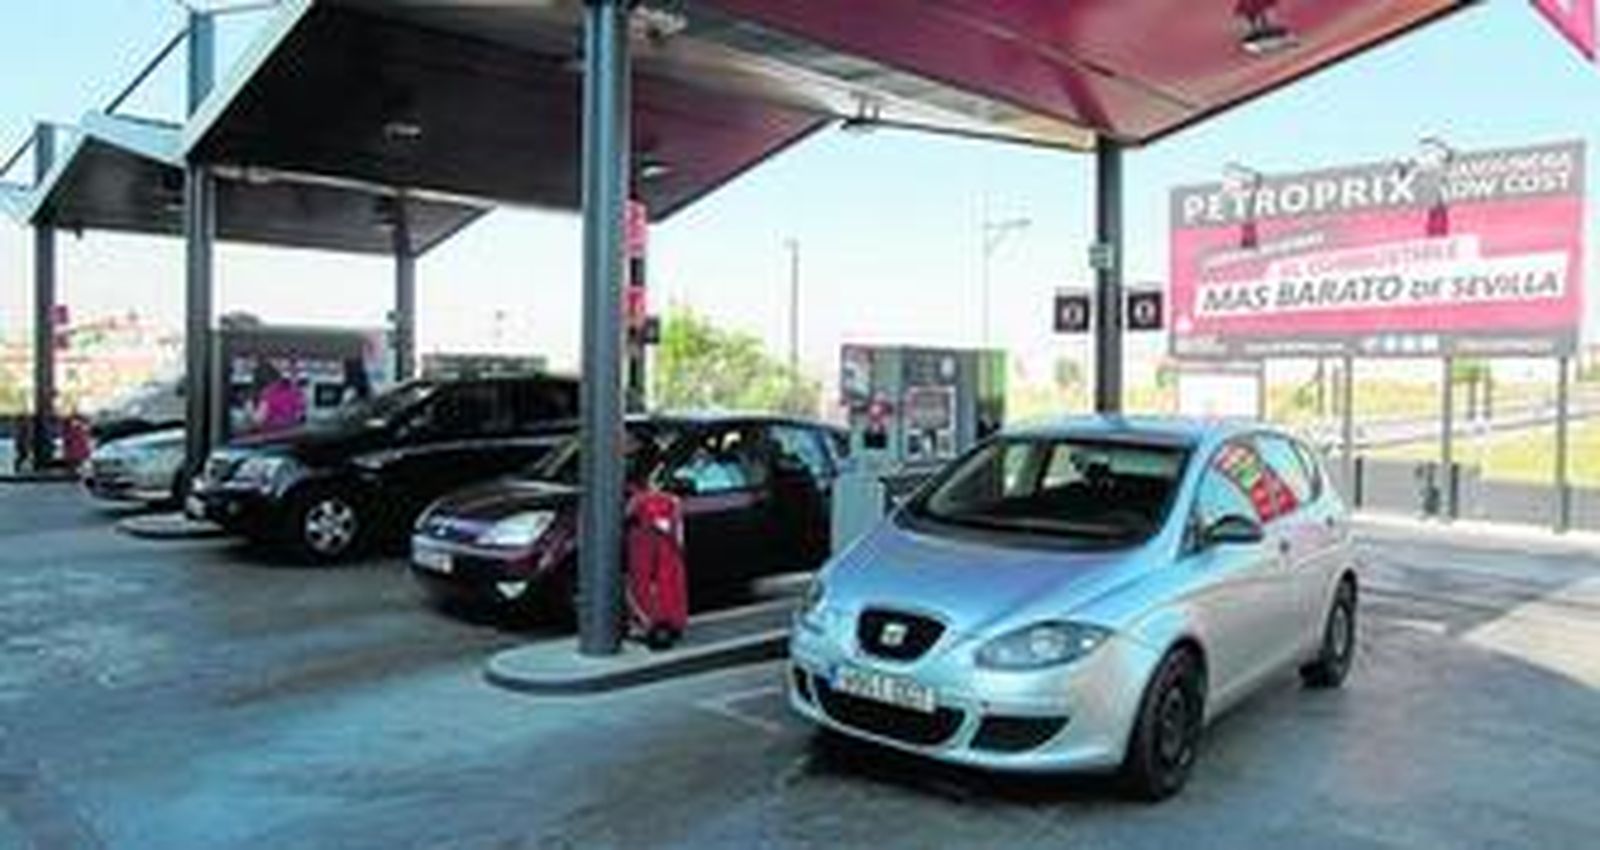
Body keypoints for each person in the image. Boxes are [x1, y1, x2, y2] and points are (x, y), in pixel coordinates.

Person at [251, 360, 306, 434]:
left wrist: (251, 412)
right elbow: (299, 416)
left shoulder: (267, 394)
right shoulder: (297, 393)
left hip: (272, 434)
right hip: (292, 433)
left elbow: (259, 419)